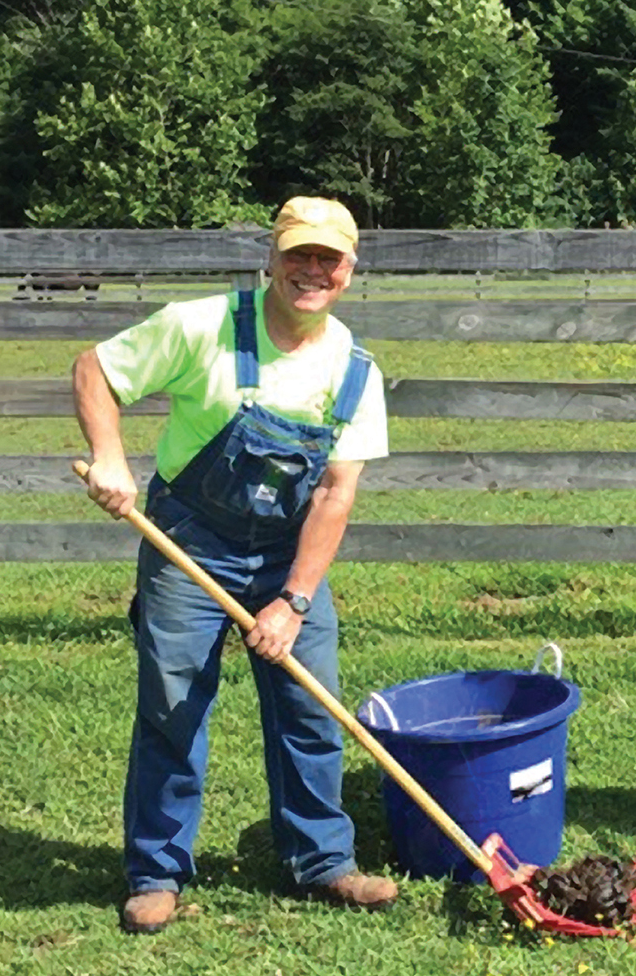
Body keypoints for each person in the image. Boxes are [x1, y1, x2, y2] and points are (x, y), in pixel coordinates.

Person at [73, 196, 397, 933]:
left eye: (329, 259)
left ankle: (323, 862)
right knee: (173, 708)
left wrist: (296, 601)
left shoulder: (355, 370)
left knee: (310, 710)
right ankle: (156, 873)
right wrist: (111, 456)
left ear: (349, 271)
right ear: (272, 259)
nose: (312, 271)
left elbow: (336, 495)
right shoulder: (202, 324)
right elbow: (95, 369)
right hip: (186, 545)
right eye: (299, 256)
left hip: (287, 555)